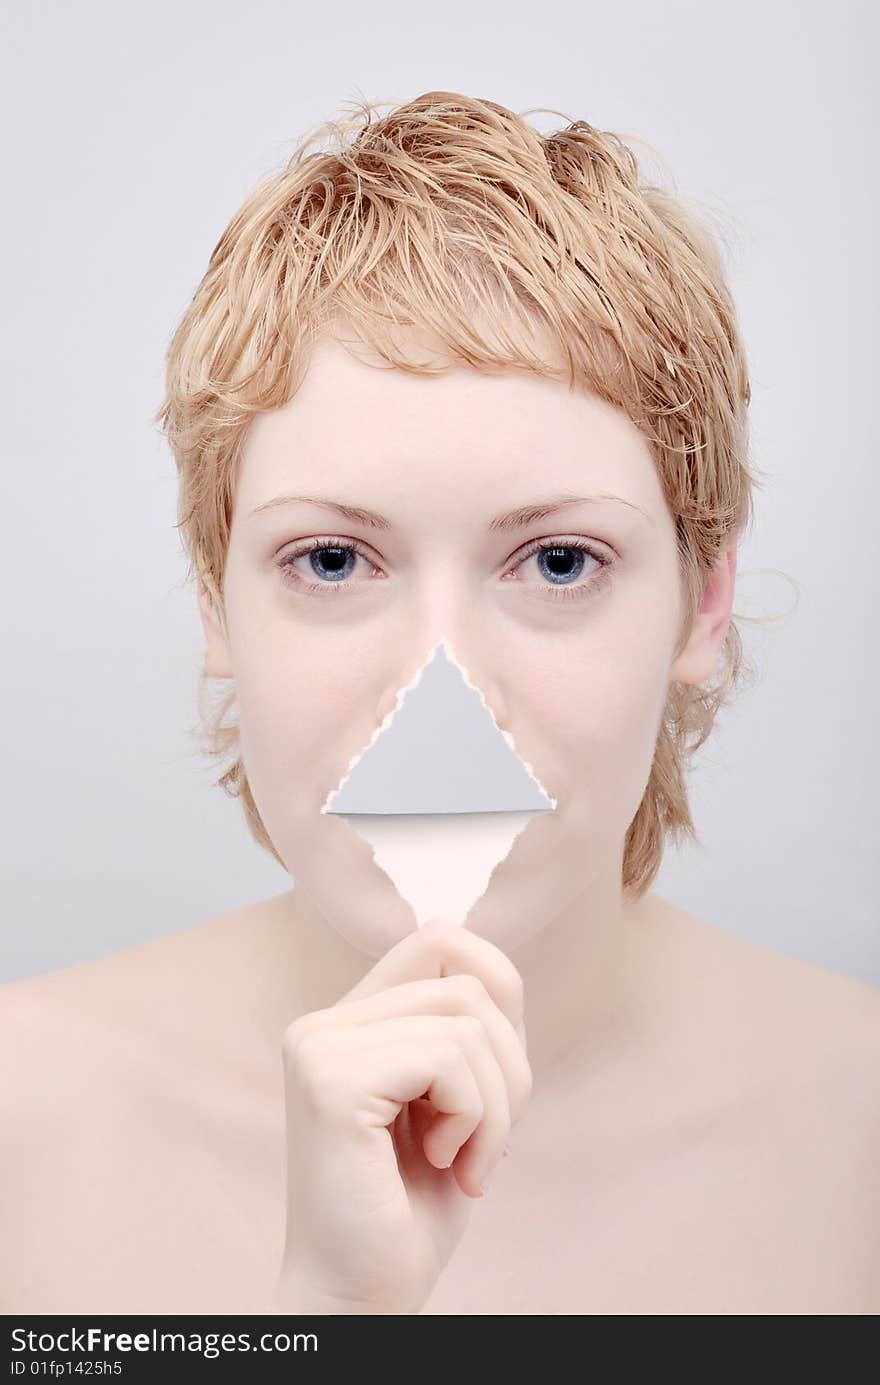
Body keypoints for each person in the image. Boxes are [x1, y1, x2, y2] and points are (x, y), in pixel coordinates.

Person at [2, 91, 878, 1317]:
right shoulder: (19, 1128)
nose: (440, 695)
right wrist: (328, 1316)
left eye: (559, 562)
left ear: (702, 603)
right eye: (332, 561)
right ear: (214, 602)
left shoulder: (861, 1145)